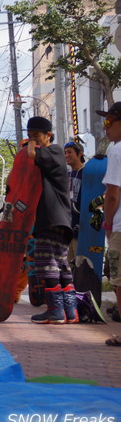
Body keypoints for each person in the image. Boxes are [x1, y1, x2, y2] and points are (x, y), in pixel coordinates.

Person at [25, 117, 78, 324]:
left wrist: (29, 143)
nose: (33, 141)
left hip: (52, 219)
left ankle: (55, 311)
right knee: (61, 265)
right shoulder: (50, 155)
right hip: (60, 219)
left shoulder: (54, 150)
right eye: (30, 136)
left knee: (46, 263)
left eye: (36, 136)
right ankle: (70, 312)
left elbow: (30, 154)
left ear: (48, 135)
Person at [98, 103, 121, 346]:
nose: (105, 129)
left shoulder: (117, 150)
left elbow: (112, 193)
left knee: (119, 281)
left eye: (108, 123)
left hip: (120, 227)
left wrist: (108, 223)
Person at [64, 140, 85, 264]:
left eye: (70, 152)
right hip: (68, 229)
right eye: (65, 153)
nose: (66, 155)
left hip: (82, 229)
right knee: (69, 269)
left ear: (80, 153)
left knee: (81, 265)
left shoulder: (88, 172)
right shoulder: (66, 175)